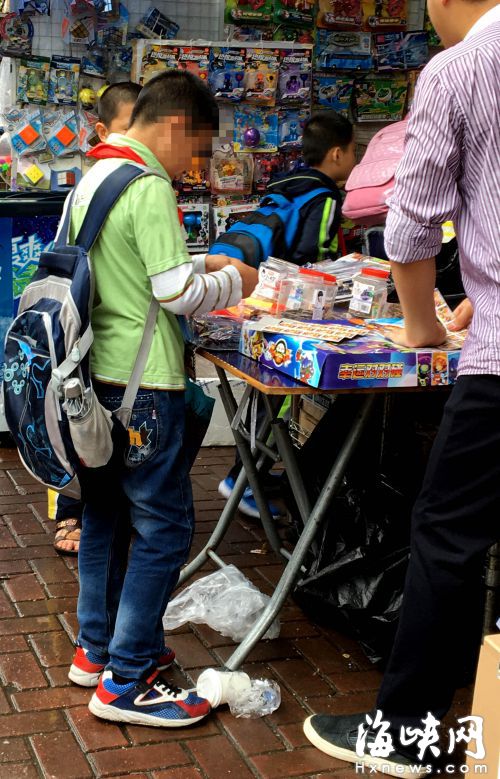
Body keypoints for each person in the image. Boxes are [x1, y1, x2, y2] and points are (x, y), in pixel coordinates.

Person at [304, 0, 500, 774]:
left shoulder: (460, 69)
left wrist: (421, 324)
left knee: (448, 533)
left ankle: (404, 730)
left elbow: (412, 224)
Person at [66, 70, 257, 727]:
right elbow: (174, 292)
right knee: (163, 527)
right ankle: (125, 682)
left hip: (97, 384)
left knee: (105, 514)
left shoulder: (94, 174)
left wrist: (198, 265)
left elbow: (130, 269)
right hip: (145, 389)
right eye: (200, 149)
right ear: (179, 126)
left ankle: (101, 650)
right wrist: (234, 279)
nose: (197, 166)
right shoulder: (148, 184)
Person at [219, 111, 357, 517]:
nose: (354, 161)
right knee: (285, 399)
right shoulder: (325, 196)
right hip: (297, 305)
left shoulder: (284, 184)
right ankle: (243, 480)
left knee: (267, 391)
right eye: (353, 152)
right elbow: (319, 257)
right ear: (336, 153)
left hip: (264, 296)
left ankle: (252, 469)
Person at [51, 81, 142, 556]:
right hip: (86, 327)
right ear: (104, 131)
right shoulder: (98, 185)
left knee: (102, 431)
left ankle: (104, 513)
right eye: (130, 129)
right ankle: (71, 513)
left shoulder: (141, 185)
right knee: (76, 424)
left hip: (115, 335)